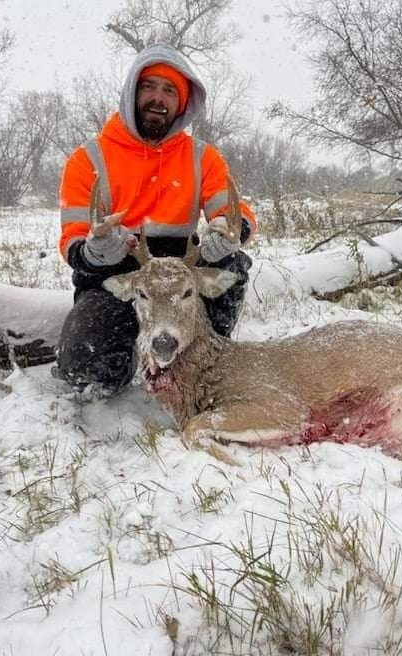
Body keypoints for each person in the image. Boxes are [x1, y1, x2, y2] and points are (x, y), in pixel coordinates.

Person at [55, 43, 256, 394]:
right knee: (85, 370)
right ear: (132, 92)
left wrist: (226, 231)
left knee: (233, 264)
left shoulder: (202, 157)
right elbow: (74, 239)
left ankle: (206, 352)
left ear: (183, 104)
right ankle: (123, 358)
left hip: (181, 278)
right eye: (149, 86)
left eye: (169, 90)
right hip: (117, 279)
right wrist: (97, 250)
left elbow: (234, 214)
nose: (158, 98)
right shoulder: (89, 159)